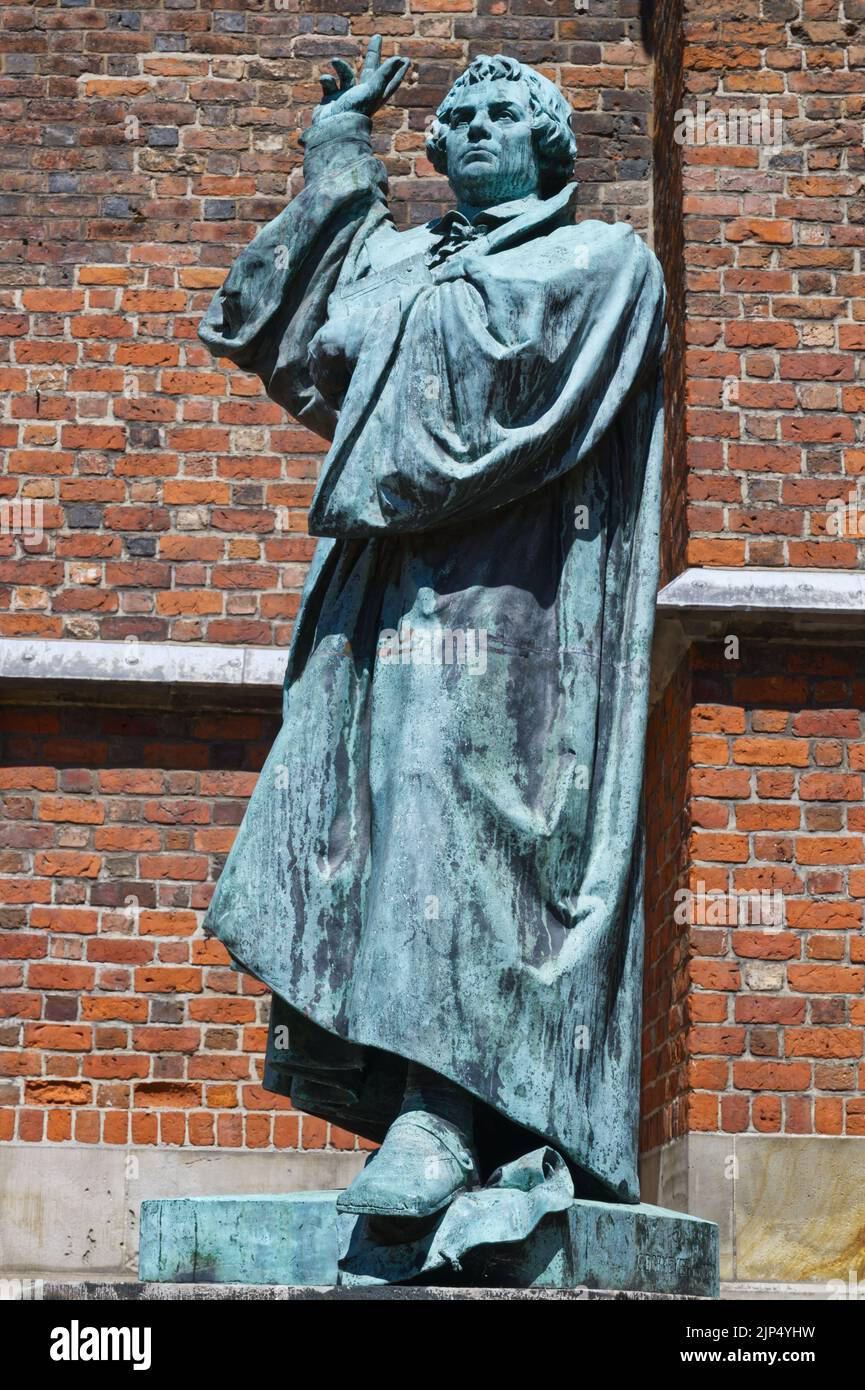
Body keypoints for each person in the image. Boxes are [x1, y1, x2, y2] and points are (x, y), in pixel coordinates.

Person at [199, 38, 667, 1226]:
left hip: (517, 601)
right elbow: (293, 340)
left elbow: (493, 376)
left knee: (459, 812)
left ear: (552, 140)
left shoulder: (599, 258)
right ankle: (432, 1107)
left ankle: (442, 1120)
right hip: (382, 595)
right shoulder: (414, 256)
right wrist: (338, 155)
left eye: (499, 113)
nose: (466, 131)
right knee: (364, 823)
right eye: (451, 119)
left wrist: (389, 305)